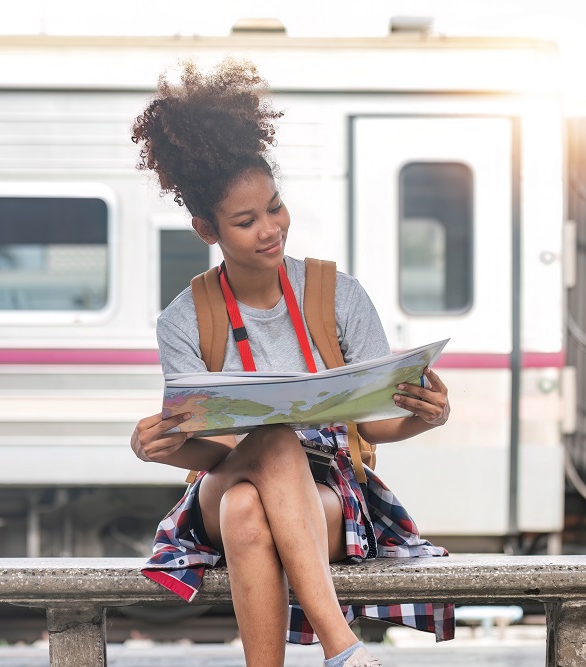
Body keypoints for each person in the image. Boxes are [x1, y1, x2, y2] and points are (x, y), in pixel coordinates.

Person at [128, 59, 453, 667]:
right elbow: (209, 451)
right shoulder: (185, 319)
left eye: (274, 208)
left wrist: (425, 415)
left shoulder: (338, 294)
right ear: (206, 228)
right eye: (246, 221)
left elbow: (376, 425)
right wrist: (163, 447)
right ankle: (343, 649)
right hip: (218, 486)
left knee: (250, 512)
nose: (271, 230)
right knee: (272, 444)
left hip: (324, 491)